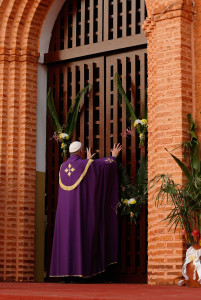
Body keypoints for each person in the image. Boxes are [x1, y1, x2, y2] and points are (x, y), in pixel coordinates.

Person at [50, 141, 122, 279]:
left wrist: (88, 161)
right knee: (80, 236)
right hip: (80, 213)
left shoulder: (62, 167)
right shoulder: (86, 164)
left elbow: (85, 171)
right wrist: (113, 157)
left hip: (64, 215)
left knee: (66, 238)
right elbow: (102, 166)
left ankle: (64, 274)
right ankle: (80, 272)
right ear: (81, 151)